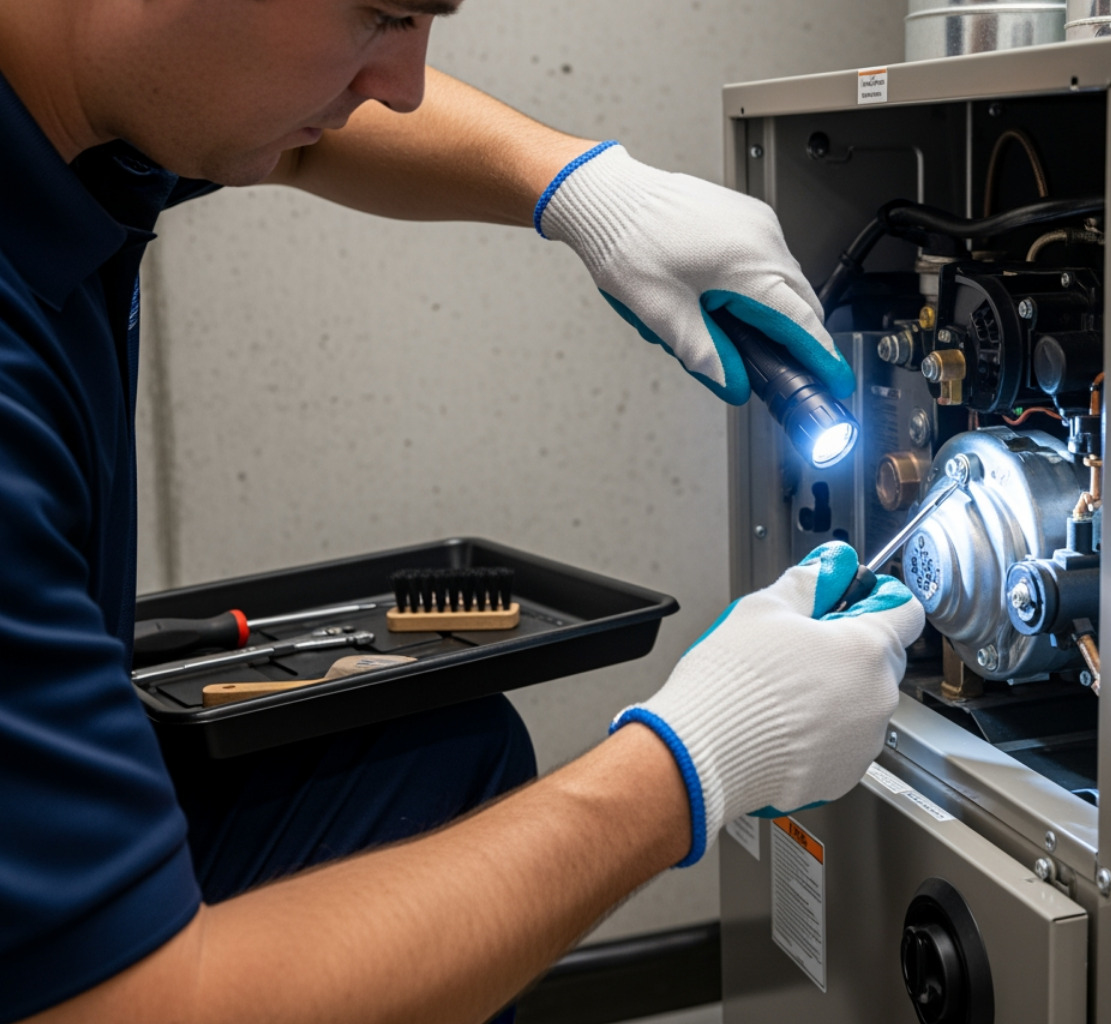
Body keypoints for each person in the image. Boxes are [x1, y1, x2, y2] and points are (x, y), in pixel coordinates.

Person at [0, 2, 924, 1022]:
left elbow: (300, 149)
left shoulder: (86, 109)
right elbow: (136, 1007)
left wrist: (579, 188)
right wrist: (693, 761)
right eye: (380, 15)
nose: (402, 86)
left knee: (446, 763)